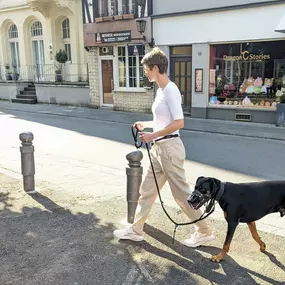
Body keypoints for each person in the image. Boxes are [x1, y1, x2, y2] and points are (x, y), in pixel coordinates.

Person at [113, 47, 214, 247]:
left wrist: (152, 135)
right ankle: (136, 230)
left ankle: (205, 231)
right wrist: (145, 124)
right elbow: (162, 120)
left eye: (146, 69)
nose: (145, 73)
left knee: (182, 196)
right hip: (159, 149)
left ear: (156, 68)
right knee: (147, 190)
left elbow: (179, 122)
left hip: (169, 148)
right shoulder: (160, 91)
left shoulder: (171, 90)